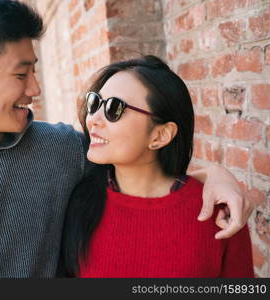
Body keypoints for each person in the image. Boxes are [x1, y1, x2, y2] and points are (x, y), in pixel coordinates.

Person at [0, 0, 252, 278]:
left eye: (35, 71)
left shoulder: (62, 149)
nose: (35, 88)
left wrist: (216, 174)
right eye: (21, 75)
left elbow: (142, 167)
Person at [61, 56, 254, 278]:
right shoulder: (76, 202)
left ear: (160, 135)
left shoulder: (219, 212)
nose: (93, 118)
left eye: (114, 108)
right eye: (95, 103)